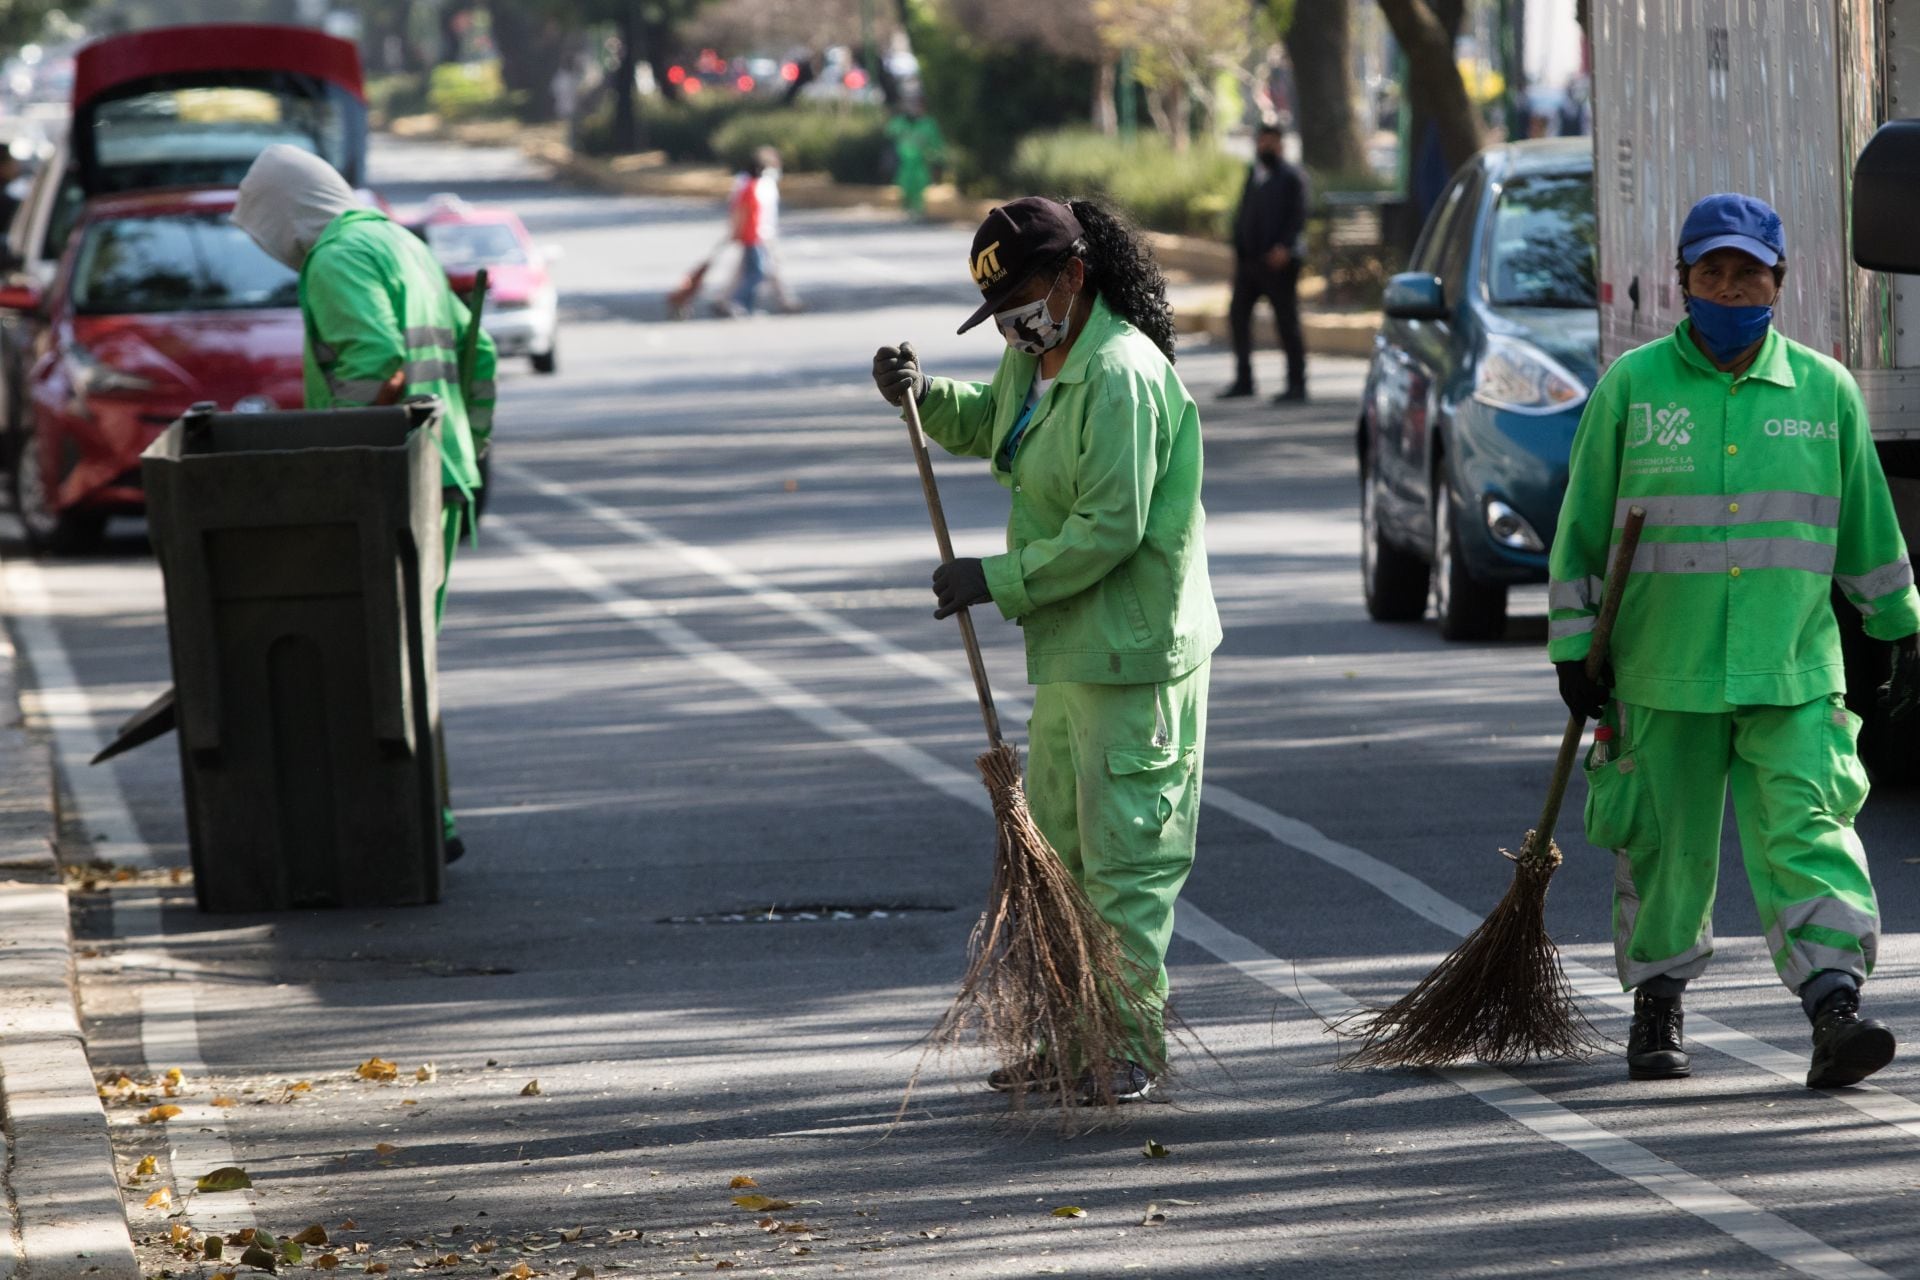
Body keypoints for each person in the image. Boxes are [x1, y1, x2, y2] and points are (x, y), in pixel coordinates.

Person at [1548, 192, 1920, 1088]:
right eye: (1710, 272)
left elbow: (1868, 530)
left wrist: (1894, 633)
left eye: (1747, 272)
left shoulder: (1824, 392)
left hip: (1791, 671)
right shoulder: (1632, 389)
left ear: (1778, 283)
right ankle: (1658, 1003)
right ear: (1682, 282)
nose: (1728, 287)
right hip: (1660, 671)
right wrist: (1572, 649)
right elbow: (1583, 531)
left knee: (1809, 834)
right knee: (1663, 849)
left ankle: (1836, 1005)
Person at [870, 197, 1222, 1104]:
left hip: (1134, 661)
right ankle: (1072, 1044)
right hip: (1069, 658)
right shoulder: (1035, 357)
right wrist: (922, 394)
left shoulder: (1123, 375)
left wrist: (997, 578)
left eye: (1024, 297)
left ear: (1074, 277)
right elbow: (996, 425)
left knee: (1126, 864)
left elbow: (1111, 530)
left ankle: (1127, 1046)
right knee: (1063, 861)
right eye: (1000, 311)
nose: (1014, 323)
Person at [233, 144, 497, 865]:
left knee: (386, 658)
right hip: (437, 469)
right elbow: (483, 353)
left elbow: (377, 362)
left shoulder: (339, 257)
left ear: (288, 216)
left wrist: (335, 451)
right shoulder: (399, 242)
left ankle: (415, 822)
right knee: (409, 651)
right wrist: (470, 449)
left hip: (383, 478)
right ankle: (426, 817)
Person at [1219, 124, 1308, 405]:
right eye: (1262, 142)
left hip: (1279, 264)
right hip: (1250, 264)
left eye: (1271, 143)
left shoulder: (1293, 177)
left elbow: (1299, 217)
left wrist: (1285, 247)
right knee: (1238, 316)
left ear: (1281, 145)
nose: (1265, 148)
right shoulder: (1253, 175)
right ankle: (1244, 379)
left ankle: (1297, 383)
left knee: (1286, 322)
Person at [718, 149, 770, 316]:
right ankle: (739, 303)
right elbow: (741, 212)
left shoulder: (753, 186)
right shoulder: (749, 188)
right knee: (757, 272)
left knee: (750, 272)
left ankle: (743, 305)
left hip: (756, 235)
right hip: (750, 236)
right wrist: (736, 232)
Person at [884, 97, 945, 222]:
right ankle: (907, 209)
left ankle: (918, 211)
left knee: (920, 185)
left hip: (921, 162)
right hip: (904, 162)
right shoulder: (901, 122)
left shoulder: (928, 123)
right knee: (905, 185)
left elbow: (937, 143)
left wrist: (937, 159)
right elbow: (890, 132)